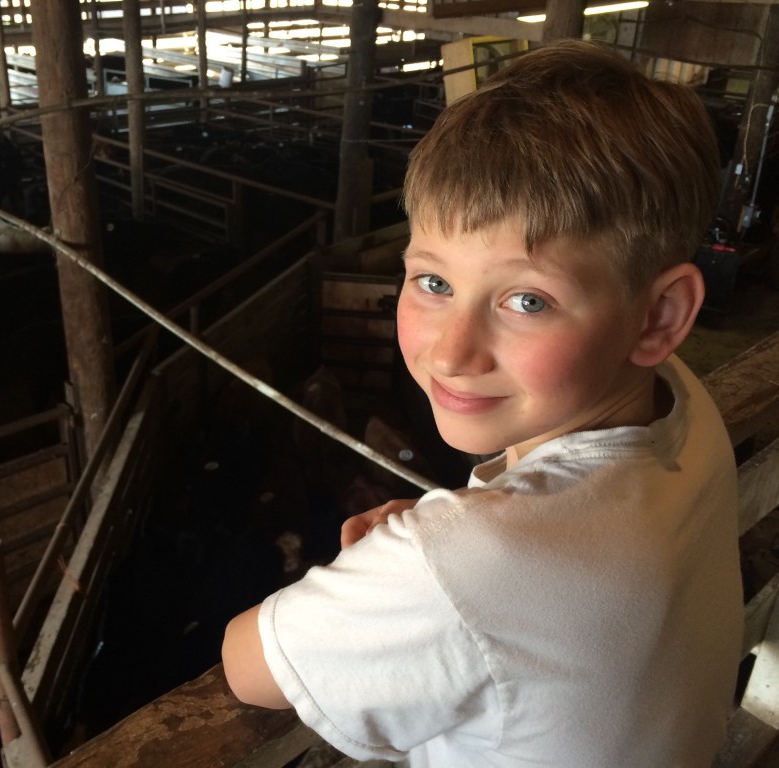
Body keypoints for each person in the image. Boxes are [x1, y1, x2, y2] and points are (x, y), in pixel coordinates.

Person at [220, 39, 743, 767]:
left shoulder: (471, 559)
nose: (451, 351)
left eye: (528, 300)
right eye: (432, 282)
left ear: (658, 317)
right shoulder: (685, 406)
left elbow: (247, 665)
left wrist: (421, 562)